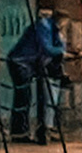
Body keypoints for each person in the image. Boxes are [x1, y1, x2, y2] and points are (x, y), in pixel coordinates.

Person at [7, 8, 66, 141]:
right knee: (23, 96)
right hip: (21, 62)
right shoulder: (43, 26)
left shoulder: (53, 29)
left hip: (30, 63)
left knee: (33, 96)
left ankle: (37, 130)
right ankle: (19, 132)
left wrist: (60, 42)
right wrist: (61, 50)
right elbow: (47, 48)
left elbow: (59, 46)